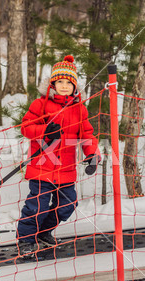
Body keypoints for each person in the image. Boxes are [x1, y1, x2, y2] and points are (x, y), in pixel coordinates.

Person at [17, 55, 101, 257]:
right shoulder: (41, 104)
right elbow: (26, 128)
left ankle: (43, 233)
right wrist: (45, 130)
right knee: (36, 206)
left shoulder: (79, 109)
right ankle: (26, 239)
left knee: (68, 204)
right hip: (42, 166)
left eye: (68, 82)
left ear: (74, 86)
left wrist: (92, 155)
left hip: (66, 169)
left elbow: (87, 135)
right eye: (60, 82)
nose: (64, 86)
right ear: (52, 84)